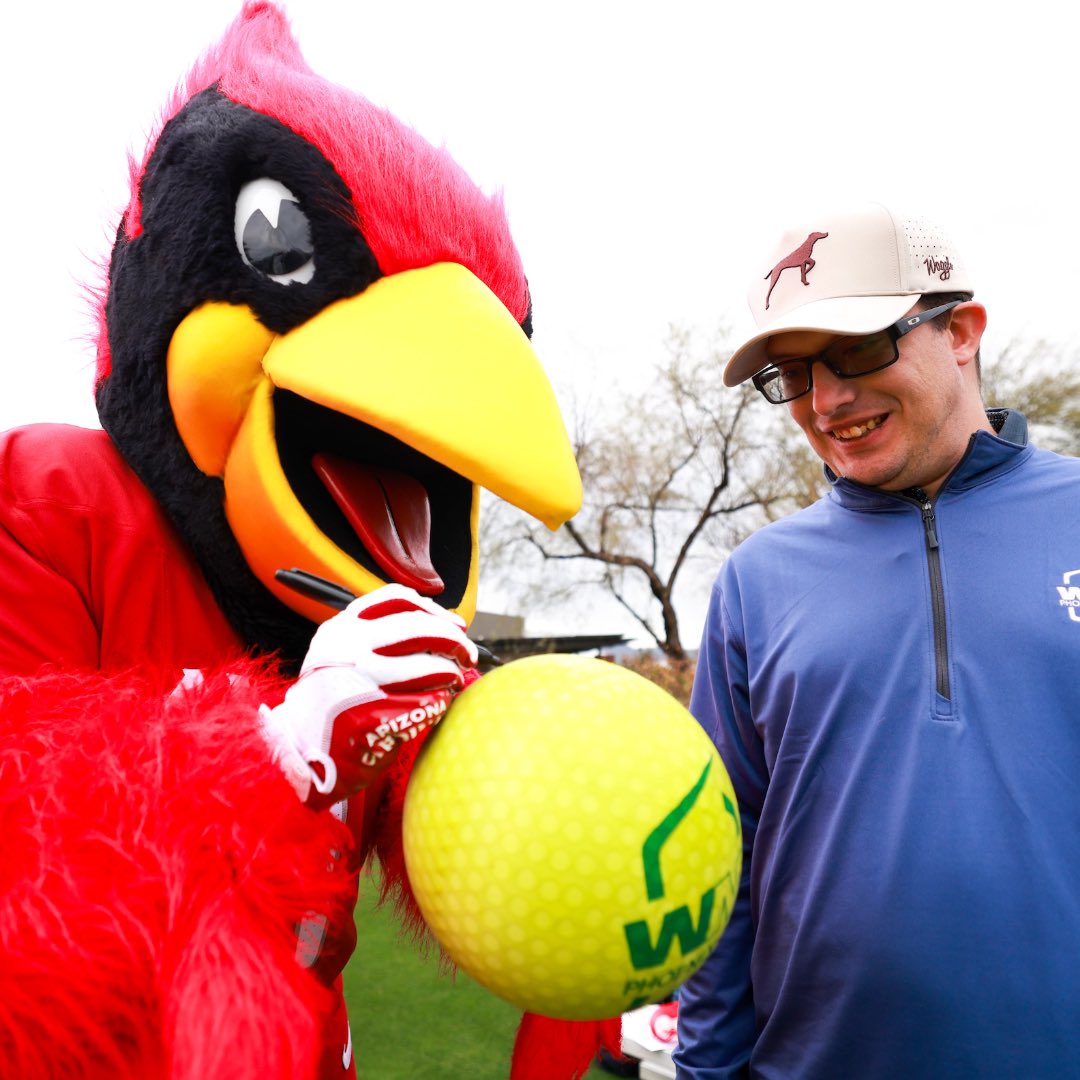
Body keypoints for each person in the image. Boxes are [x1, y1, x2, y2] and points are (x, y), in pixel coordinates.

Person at [673, 202, 1080, 1078]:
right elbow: (717, 864)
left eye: (857, 350)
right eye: (794, 372)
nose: (827, 400)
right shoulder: (755, 581)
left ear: (962, 330)